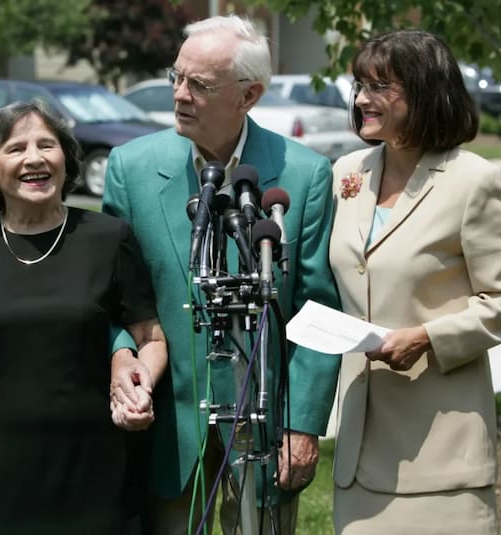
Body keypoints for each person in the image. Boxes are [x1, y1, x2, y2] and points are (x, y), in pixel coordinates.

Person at [103, 14, 341, 535]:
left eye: (199, 85)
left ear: (249, 94)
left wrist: (303, 424)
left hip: (264, 432)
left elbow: (318, 310)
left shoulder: (303, 175)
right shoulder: (131, 169)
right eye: (177, 76)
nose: (179, 94)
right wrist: (122, 355)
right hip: (170, 430)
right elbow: (110, 297)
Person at [0, 99, 167, 535]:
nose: (34, 158)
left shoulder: (109, 239)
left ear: (66, 159)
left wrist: (140, 384)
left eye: (46, 145)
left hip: (96, 470)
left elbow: (150, 338)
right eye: (16, 148)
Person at [329, 29, 501, 534]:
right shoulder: (346, 173)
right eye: (359, 84)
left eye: (380, 86)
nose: (362, 99)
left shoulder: (475, 181)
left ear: (426, 90)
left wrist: (426, 337)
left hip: (442, 458)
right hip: (357, 454)